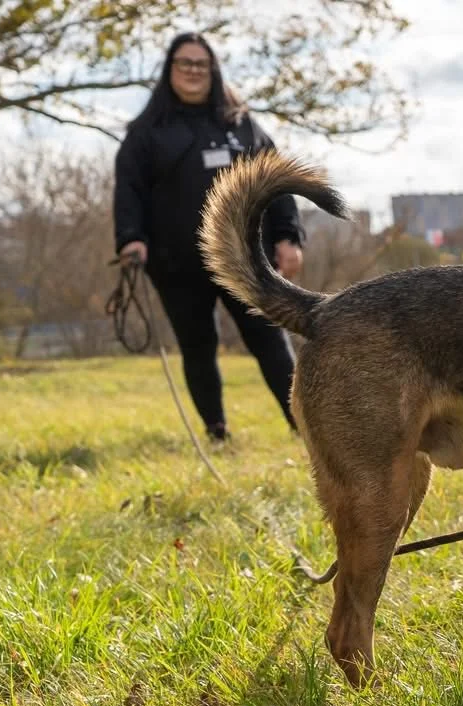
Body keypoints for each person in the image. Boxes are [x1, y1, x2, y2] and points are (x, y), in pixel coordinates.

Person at [113, 31, 306, 443]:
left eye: (201, 64)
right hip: (175, 262)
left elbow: (276, 180)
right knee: (198, 346)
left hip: (245, 255)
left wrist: (288, 235)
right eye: (184, 63)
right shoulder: (147, 132)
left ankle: (303, 425)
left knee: (269, 340)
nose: (193, 72)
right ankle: (217, 433)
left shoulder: (242, 123)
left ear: (213, 70)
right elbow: (128, 189)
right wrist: (131, 238)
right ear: (170, 70)